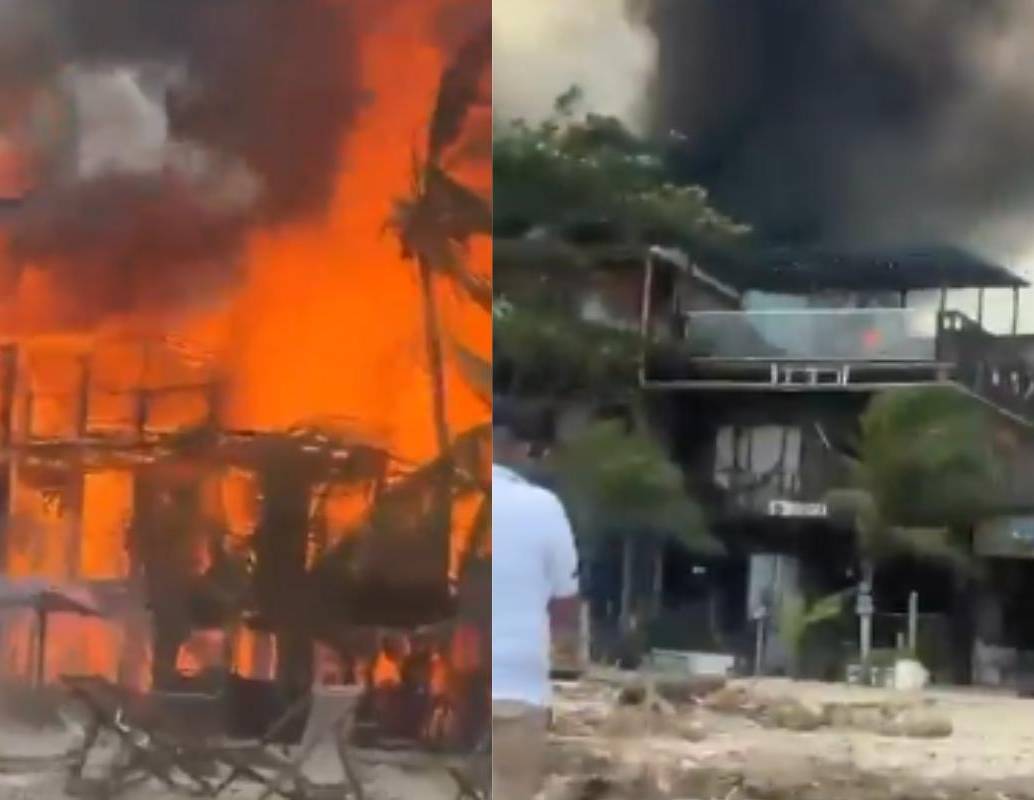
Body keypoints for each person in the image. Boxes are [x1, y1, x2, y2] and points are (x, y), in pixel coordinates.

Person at [492, 401, 581, 800]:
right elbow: (565, 602)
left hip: (451, 692)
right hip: (519, 686)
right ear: (520, 448)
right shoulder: (544, 506)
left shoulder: (448, 499)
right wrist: (565, 650)